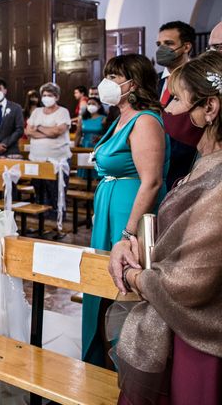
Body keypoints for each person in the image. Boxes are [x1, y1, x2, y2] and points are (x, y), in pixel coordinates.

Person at [108, 52, 222, 405]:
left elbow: (189, 280)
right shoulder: (207, 157)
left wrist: (134, 278)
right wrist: (134, 242)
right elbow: (185, 228)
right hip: (179, 325)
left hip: (199, 339)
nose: (167, 111)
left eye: (176, 99)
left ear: (210, 108)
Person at [82, 53, 169, 367]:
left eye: (115, 77)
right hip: (110, 208)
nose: (107, 83)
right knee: (102, 286)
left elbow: (151, 181)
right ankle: (101, 361)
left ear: (134, 83)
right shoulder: (119, 118)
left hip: (129, 214)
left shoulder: (144, 120)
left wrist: (128, 232)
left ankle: (129, 366)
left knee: (125, 289)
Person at [156, 21, 197, 189]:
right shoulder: (154, 81)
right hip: (155, 160)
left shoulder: (198, 80)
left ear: (186, 47)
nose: (161, 49)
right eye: (159, 44)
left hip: (186, 164)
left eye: (169, 43)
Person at [25, 82, 71, 229]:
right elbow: (28, 132)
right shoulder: (37, 112)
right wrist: (47, 131)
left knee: (55, 190)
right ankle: (41, 218)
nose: (46, 98)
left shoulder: (63, 112)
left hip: (57, 159)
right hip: (36, 158)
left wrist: (38, 127)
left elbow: (57, 132)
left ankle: (56, 218)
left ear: (56, 97)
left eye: (49, 95)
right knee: (39, 188)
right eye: (44, 95)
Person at [74, 97, 106, 180]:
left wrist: (101, 138)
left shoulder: (103, 118)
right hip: (85, 145)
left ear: (99, 106)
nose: (91, 106)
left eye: (93, 104)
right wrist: (74, 147)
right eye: (89, 104)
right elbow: (78, 134)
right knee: (84, 166)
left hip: (98, 145)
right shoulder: (83, 119)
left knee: (96, 168)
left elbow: (107, 134)